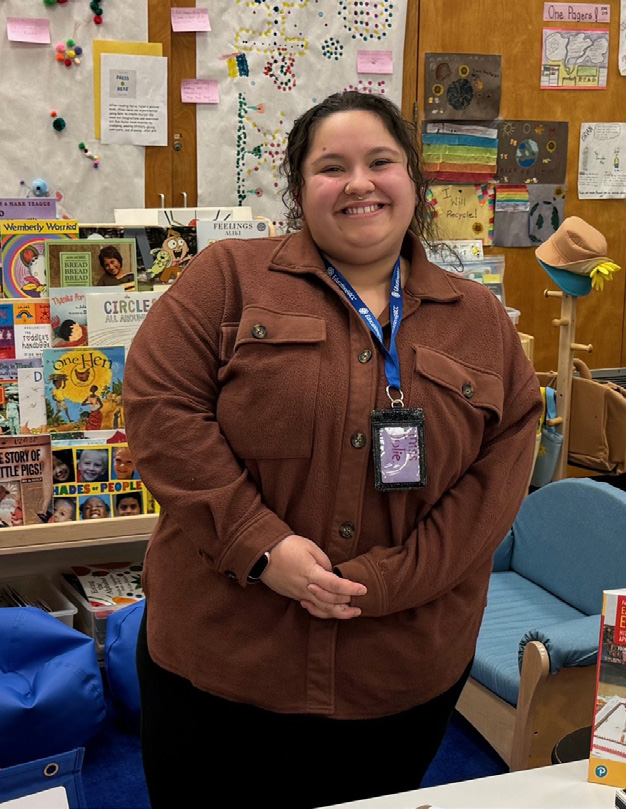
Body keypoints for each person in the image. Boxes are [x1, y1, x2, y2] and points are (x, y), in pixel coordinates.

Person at [124, 90, 541, 809]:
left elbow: (493, 486)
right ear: (297, 189)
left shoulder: (480, 322)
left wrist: (389, 581)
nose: (359, 183)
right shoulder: (226, 280)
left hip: (398, 672)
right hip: (222, 662)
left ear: (413, 179)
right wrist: (261, 545)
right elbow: (163, 412)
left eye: (381, 161)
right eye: (331, 167)